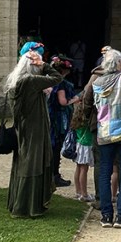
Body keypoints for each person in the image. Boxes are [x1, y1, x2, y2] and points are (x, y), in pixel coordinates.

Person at [81, 48, 121, 228]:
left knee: (104, 172)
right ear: (118, 64)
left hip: (104, 131)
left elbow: (88, 102)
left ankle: (106, 215)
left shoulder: (97, 81)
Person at [6, 43, 63, 218]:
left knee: (24, 162)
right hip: (34, 128)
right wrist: (43, 65)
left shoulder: (17, 81)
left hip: (24, 127)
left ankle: (20, 203)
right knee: (33, 163)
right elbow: (57, 78)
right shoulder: (31, 81)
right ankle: (28, 206)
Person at [47, 55, 77, 188]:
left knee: (51, 146)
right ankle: (54, 176)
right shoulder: (60, 83)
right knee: (56, 146)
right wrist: (76, 99)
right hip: (58, 119)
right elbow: (63, 102)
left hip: (48, 115)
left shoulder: (48, 80)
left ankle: (50, 175)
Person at [68, 96, 95, 202]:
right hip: (86, 145)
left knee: (78, 168)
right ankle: (84, 194)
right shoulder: (86, 122)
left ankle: (78, 191)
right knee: (84, 169)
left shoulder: (76, 121)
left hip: (79, 144)